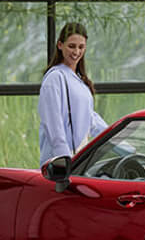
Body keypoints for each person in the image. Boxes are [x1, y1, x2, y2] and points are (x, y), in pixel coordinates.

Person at [38, 22, 107, 166]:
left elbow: (91, 120)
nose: (76, 52)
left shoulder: (80, 81)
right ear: (60, 45)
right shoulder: (55, 78)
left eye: (81, 47)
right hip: (59, 164)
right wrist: (64, 160)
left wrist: (123, 144)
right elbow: (53, 124)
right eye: (71, 46)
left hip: (78, 161)